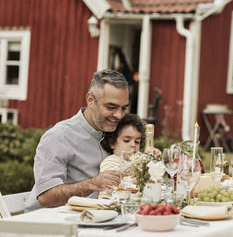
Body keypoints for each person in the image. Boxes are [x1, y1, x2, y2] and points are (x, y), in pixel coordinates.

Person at [25, 69, 130, 211]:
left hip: (92, 221)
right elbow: (46, 197)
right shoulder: (59, 136)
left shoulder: (116, 136)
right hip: (50, 226)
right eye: (111, 107)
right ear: (91, 100)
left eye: (124, 108)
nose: (119, 115)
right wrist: (94, 184)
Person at [98, 114, 145, 198]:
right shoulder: (111, 161)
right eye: (126, 140)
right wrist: (142, 179)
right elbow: (115, 184)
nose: (133, 144)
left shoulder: (138, 163)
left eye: (137, 141)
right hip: (109, 205)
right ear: (112, 143)